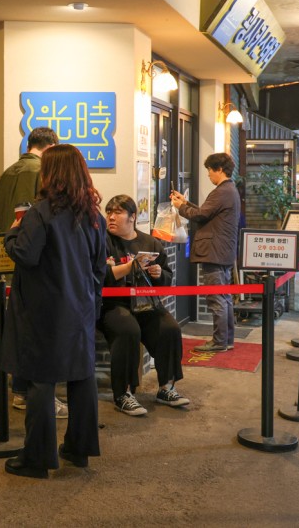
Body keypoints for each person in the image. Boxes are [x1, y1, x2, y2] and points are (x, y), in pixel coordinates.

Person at [1, 144, 106, 479]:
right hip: (81, 308)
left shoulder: (39, 213)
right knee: (82, 378)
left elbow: (25, 255)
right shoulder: (94, 216)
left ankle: (37, 459)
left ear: (50, 174)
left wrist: (12, 233)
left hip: (44, 311)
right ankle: (79, 450)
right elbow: (98, 267)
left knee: (41, 382)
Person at [0, 126, 64, 416]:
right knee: (38, 332)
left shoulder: (6, 173)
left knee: (19, 326)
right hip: (36, 260)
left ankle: (19, 390)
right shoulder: (41, 173)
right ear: (50, 146)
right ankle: (35, 394)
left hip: (10, 255)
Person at [103, 195, 189, 414]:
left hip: (146, 302)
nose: (111, 217)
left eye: (118, 212)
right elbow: (98, 276)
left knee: (170, 328)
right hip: (113, 304)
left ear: (132, 217)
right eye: (109, 212)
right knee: (128, 330)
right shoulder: (101, 241)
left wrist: (159, 274)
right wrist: (130, 266)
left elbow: (167, 279)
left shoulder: (150, 243)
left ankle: (166, 387)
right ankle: (123, 393)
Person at [170, 152, 241, 353]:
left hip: (214, 251)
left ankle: (219, 341)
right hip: (223, 251)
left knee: (216, 298)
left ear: (219, 169)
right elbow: (206, 212)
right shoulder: (230, 190)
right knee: (224, 298)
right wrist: (185, 202)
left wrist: (180, 207)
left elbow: (201, 215)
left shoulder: (222, 191)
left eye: (210, 171)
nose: (209, 175)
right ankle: (226, 339)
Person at [0, 127, 59, 232]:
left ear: (28, 148)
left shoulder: (5, 174)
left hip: (4, 242)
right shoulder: (45, 172)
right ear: (51, 148)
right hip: (32, 244)